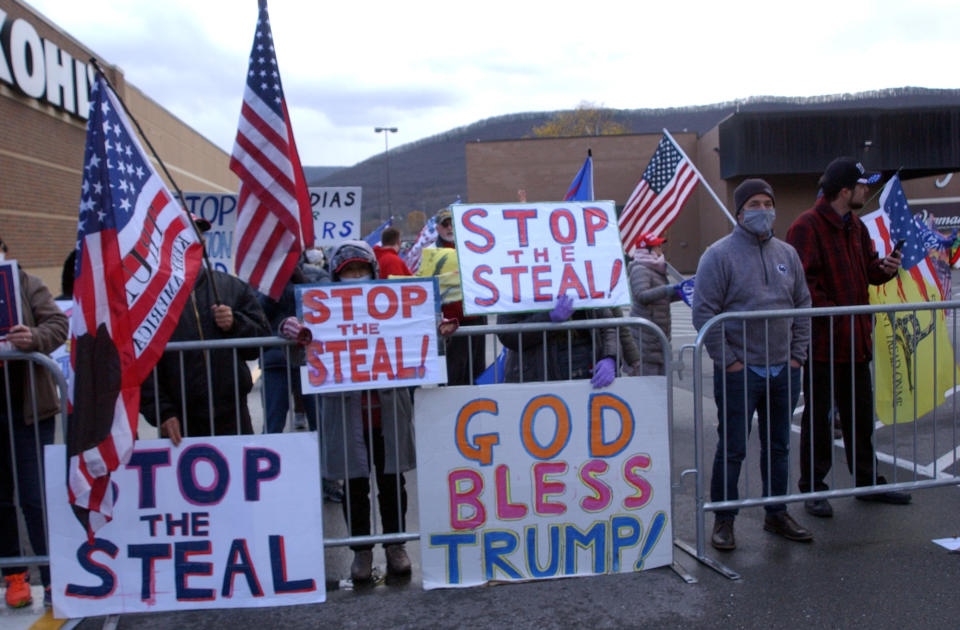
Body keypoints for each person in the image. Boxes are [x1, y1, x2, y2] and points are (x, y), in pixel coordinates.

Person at [692, 178, 813, 551]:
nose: (763, 211)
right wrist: (729, 363)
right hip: (741, 372)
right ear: (740, 211)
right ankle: (724, 520)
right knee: (733, 448)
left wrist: (797, 357)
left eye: (768, 203)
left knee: (779, 447)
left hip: (783, 370)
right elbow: (704, 312)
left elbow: (803, 304)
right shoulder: (718, 255)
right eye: (755, 204)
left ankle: (776, 513)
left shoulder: (787, 254)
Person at [785, 157, 911, 516]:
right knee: (819, 417)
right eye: (861, 185)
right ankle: (813, 487)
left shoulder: (856, 226)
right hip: (824, 344)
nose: (866, 189)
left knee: (859, 416)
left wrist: (883, 269)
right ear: (845, 190)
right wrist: (838, 316)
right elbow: (803, 285)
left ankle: (867, 482)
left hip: (857, 342)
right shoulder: (806, 227)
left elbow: (868, 272)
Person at [140, 240, 270, 445]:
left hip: (232, 413)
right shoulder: (149, 297)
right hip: (180, 420)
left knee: (238, 474)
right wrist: (161, 411)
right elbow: (140, 362)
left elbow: (260, 342)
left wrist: (235, 324)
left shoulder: (231, 287)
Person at [0, 239, 69, 608]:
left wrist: (34, 338)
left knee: (35, 498)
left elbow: (58, 324)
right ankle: (15, 578)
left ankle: (53, 577)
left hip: (28, 410)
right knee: (1, 500)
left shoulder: (25, 284)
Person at [497, 294, 618, 387]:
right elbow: (507, 334)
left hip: (585, 373)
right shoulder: (518, 281)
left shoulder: (583, 274)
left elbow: (608, 325)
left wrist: (610, 358)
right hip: (535, 378)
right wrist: (548, 318)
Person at [424, 208, 486, 384]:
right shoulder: (431, 252)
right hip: (449, 323)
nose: (450, 228)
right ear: (437, 228)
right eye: (445, 224)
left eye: (452, 224)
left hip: (476, 317)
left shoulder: (471, 247)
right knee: (454, 372)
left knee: (476, 369)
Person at [627, 233, 682, 375]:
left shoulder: (655, 269)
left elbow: (661, 297)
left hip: (656, 339)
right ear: (647, 250)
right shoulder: (640, 269)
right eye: (657, 247)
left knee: (660, 388)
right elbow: (641, 295)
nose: (660, 250)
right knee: (647, 388)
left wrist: (681, 292)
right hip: (645, 340)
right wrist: (669, 289)